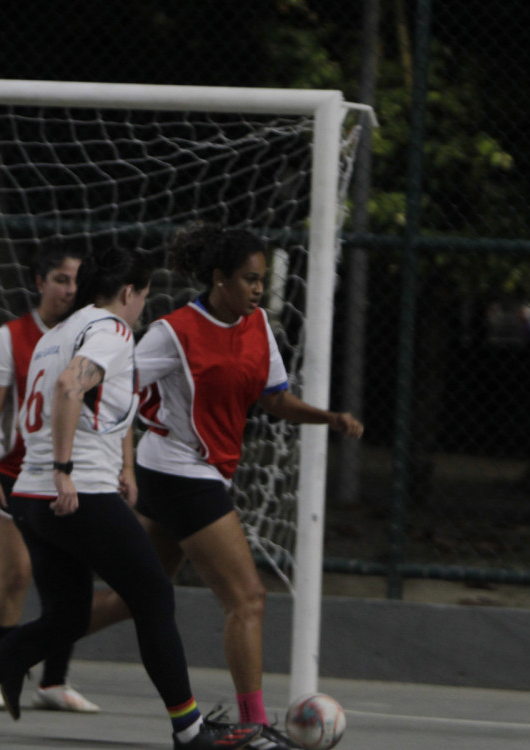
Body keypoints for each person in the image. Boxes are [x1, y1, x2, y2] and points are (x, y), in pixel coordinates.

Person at [0, 244, 261, 750]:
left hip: (32, 497)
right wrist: (65, 470)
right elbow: (69, 387)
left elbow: (75, 398)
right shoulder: (112, 330)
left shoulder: (56, 333)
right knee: (154, 595)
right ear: (128, 292)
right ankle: (190, 731)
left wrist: (108, 466)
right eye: (143, 295)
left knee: (66, 617)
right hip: (77, 492)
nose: (142, 306)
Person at [86, 224, 365, 750]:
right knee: (248, 598)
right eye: (248, 279)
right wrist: (98, 457)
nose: (258, 289)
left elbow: (274, 399)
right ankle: (252, 727)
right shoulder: (175, 331)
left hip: (184, 474)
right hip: (180, 473)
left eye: (262, 279)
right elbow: (116, 384)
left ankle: (20, 650)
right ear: (219, 279)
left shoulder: (257, 326)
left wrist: (327, 417)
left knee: (132, 598)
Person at [0, 242, 99, 714]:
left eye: (76, 281)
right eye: (61, 280)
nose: (69, 289)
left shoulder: (91, 338)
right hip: (14, 473)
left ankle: (54, 681)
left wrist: (124, 467)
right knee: (17, 573)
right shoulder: (9, 338)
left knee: (69, 579)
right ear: (40, 282)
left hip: (68, 475)